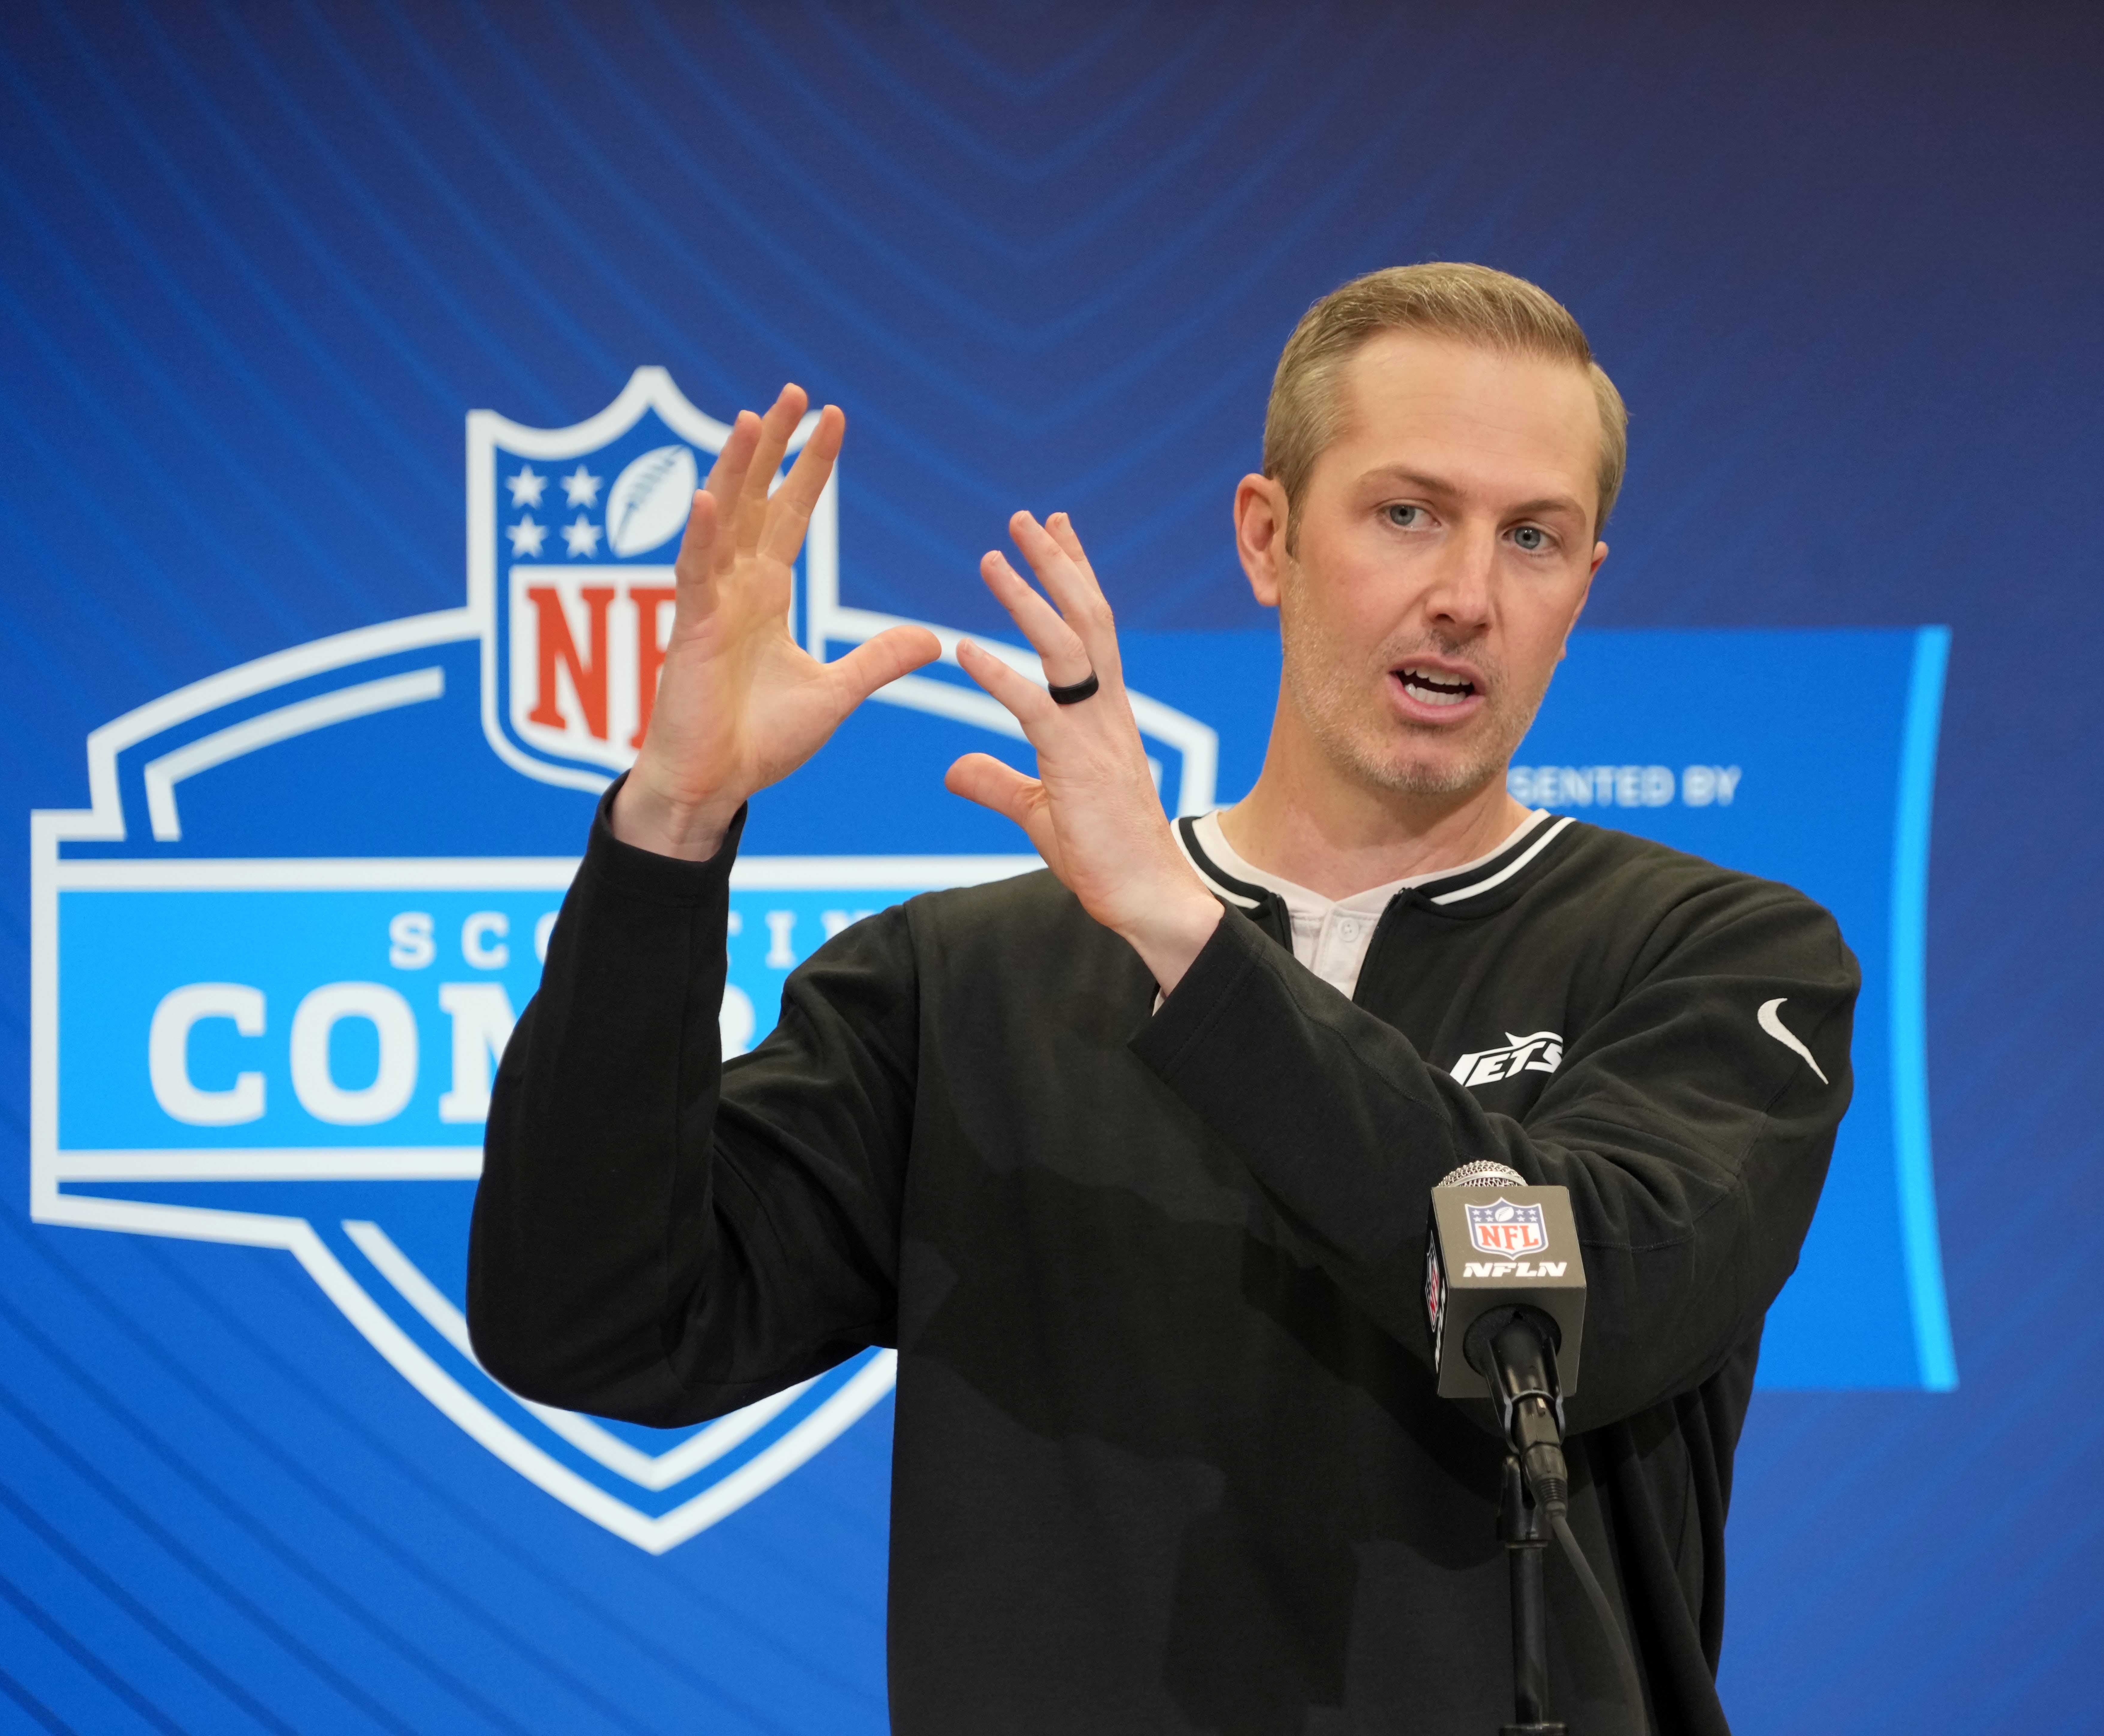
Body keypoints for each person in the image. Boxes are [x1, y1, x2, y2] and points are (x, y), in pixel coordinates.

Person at [469, 263, 1858, 1735]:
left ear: (1581, 589)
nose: (1466, 596)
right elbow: (594, 1325)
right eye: (1407, 514)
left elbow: (1587, 1307)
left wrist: (1185, 935)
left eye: (1533, 538)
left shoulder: (1720, 958)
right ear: (1269, 536)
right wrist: (672, 826)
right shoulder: (960, 984)